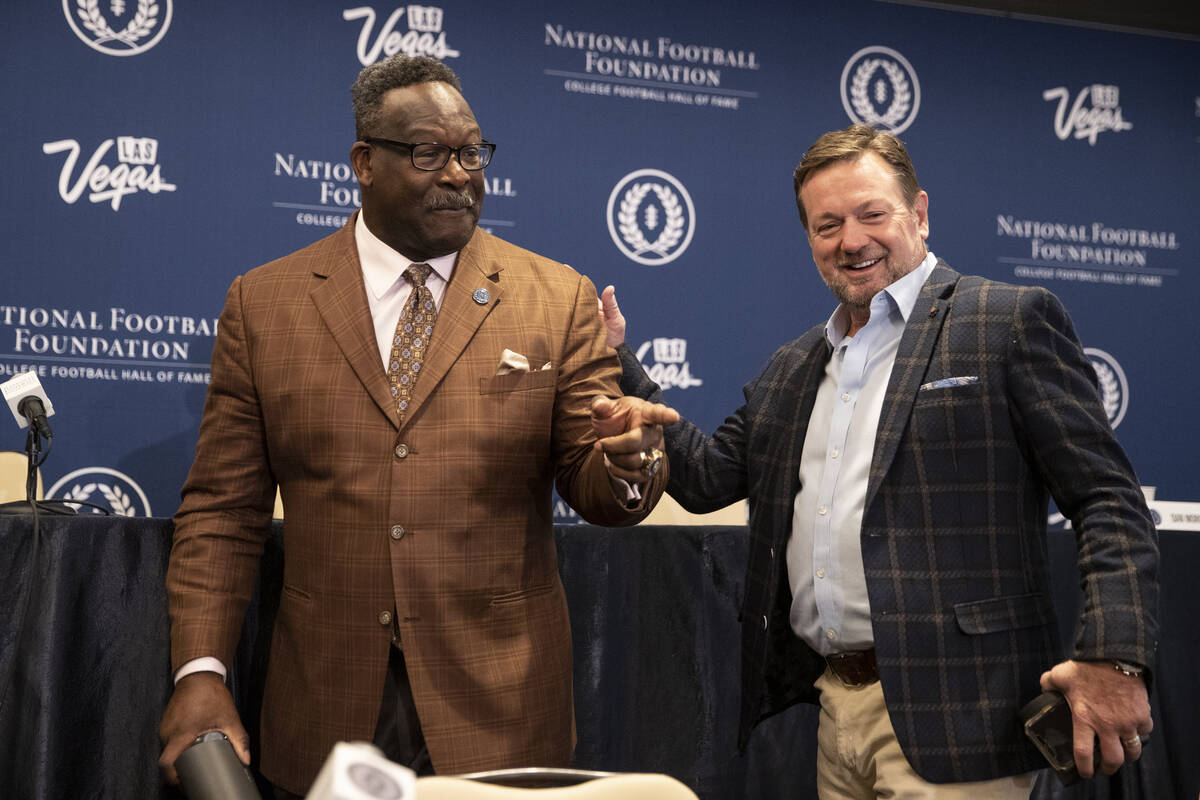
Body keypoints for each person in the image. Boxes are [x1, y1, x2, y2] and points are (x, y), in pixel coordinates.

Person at [158, 54, 678, 797]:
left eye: (472, 152)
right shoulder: (263, 305)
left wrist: (630, 464)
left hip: (502, 708)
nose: (460, 174)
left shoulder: (557, 298)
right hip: (326, 710)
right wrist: (201, 671)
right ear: (364, 163)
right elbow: (221, 513)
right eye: (429, 153)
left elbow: (598, 488)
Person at [604, 124, 1158, 798]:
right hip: (835, 710)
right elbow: (704, 477)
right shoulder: (793, 367)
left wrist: (1115, 658)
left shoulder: (1005, 322)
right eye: (827, 224)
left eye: (872, 213)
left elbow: (1108, 497)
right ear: (809, 241)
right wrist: (619, 364)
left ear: (918, 213)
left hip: (963, 719)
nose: (851, 240)